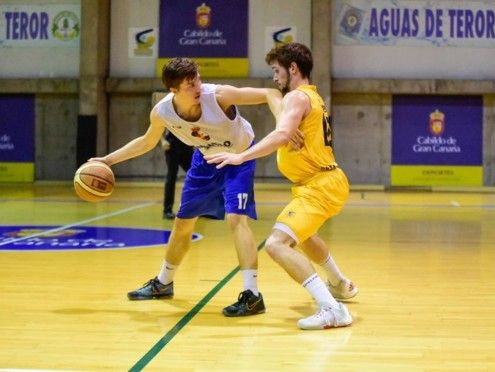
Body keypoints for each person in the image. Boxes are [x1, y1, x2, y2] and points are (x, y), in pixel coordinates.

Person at [89, 57, 292, 317]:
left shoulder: (218, 96)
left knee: (236, 219)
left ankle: (252, 295)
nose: (197, 86)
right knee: (183, 222)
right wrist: (107, 160)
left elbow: (270, 92)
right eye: (189, 84)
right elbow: (145, 142)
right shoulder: (162, 111)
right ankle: (163, 283)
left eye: (197, 78)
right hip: (205, 158)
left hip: (239, 157)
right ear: (174, 90)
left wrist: (283, 124)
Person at [205, 42, 358, 330]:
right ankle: (339, 283)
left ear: (293, 69)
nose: (275, 78)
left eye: (277, 71)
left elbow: (282, 134)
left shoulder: (298, 98)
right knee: (306, 235)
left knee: (276, 245)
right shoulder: (311, 97)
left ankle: (332, 309)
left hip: (319, 185)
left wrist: (241, 155)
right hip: (320, 182)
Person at [161, 129, 193, 220]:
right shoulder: (168, 114)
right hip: (172, 145)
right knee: (171, 177)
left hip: (187, 143)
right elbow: (159, 125)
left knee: (196, 176)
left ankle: (197, 208)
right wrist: (163, 140)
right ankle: (167, 211)